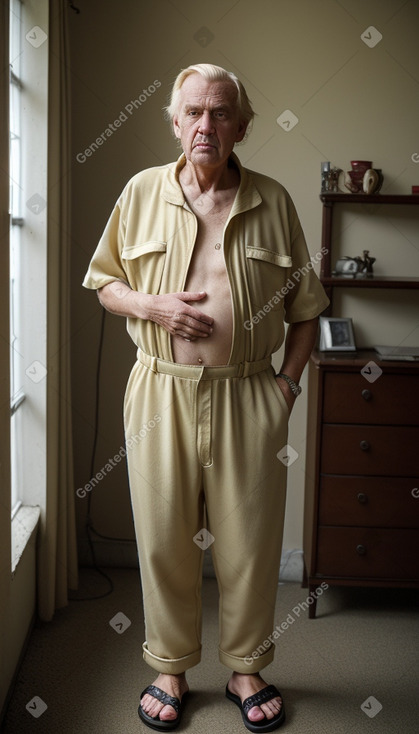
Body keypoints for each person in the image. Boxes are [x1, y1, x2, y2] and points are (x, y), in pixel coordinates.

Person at [83, 63, 329, 732]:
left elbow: (307, 309)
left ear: (242, 126)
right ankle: (169, 665)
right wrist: (151, 306)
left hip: (250, 392)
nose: (205, 125)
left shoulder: (273, 201)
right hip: (159, 389)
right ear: (173, 123)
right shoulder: (139, 193)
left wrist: (286, 385)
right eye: (193, 111)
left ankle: (245, 665)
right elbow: (104, 283)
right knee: (163, 537)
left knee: (248, 541)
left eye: (220, 113)